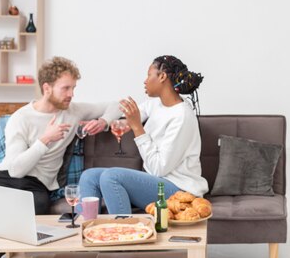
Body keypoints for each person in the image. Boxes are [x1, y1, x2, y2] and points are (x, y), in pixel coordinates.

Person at [79, 55, 208, 214]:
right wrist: (124, 123)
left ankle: (125, 232)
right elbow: (138, 112)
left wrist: (137, 127)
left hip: (178, 189)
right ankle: (86, 230)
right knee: (89, 177)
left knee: (111, 177)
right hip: (157, 183)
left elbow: (158, 169)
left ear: (162, 77)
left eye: (149, 75)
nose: (145, 81)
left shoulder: (182, 116)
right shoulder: (158, 103)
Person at [0, 56, 119, 214]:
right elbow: (16, 171)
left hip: (37, 186)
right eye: (65, 88)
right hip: (6, 179)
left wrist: (104, 121)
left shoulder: (74, 111)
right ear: (47, 88)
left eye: (73, 88)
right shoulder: (21, 118)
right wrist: (45, 140)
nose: (71, 94)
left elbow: (117, 105)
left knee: (38, 206)